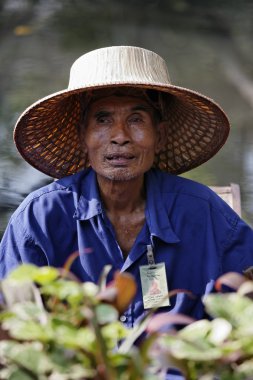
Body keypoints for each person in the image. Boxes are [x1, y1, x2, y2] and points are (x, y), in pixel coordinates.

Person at [1, 45, 253, 329]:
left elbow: (245, 311)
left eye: (136, 119)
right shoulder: (40, 217)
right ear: (83, 136)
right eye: (103, 119)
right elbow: (13, 323)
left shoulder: (205, 212)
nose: (120, 136)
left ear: (160, 136)